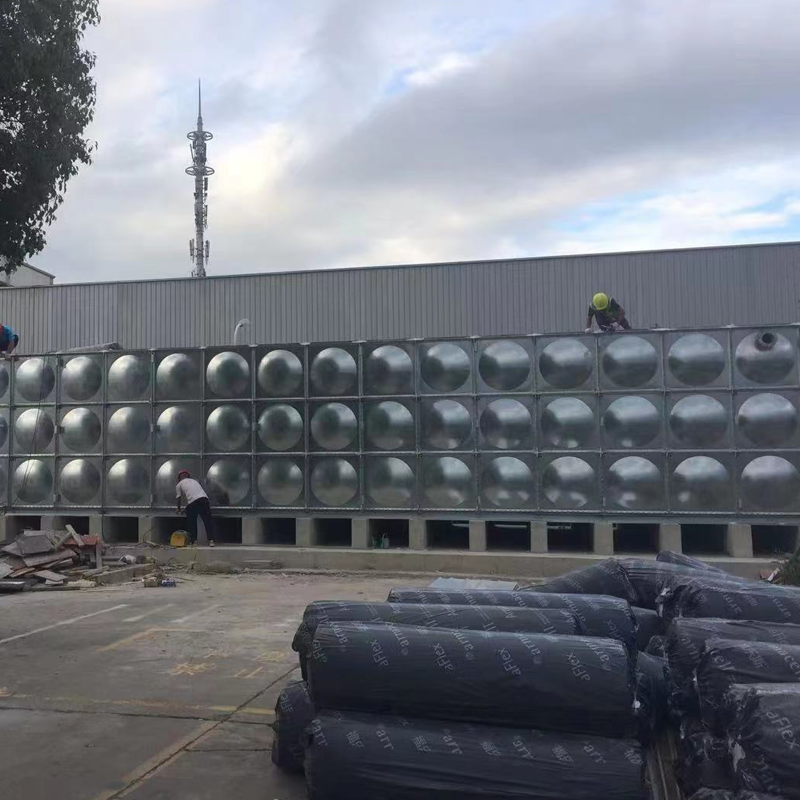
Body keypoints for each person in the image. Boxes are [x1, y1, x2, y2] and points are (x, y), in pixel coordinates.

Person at [175, 470, 216, 546]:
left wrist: (178, 509)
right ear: (188, 476)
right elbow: (195, 495)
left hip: (193, 503)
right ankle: (211, 540)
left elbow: (179, 499)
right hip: (204, 500)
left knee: (191, 522)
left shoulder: (179, 484)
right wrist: (186, 509)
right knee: (208, 521)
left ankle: (194, 541)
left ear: (179, 478)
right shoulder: (194, 481)